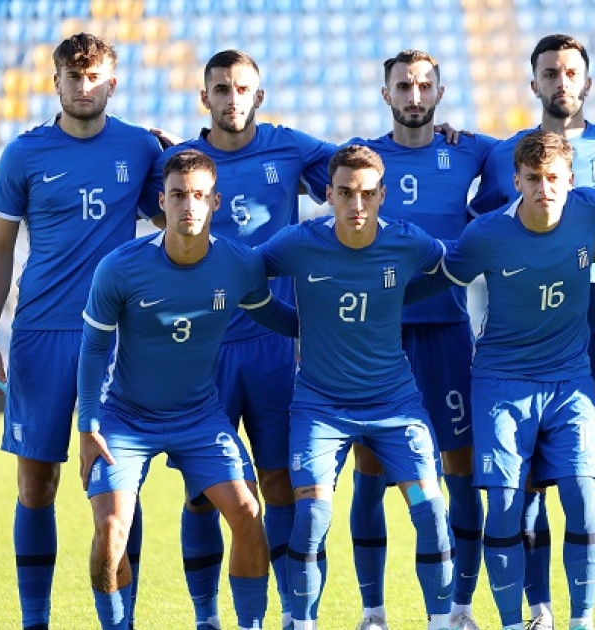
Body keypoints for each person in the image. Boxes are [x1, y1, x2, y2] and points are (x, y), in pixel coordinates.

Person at [0, 32, 162, 630]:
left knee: (117, 491)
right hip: (41, 334)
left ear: (113, 82)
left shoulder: (140, 147)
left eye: (94, 76)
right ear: (56, 81)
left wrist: (175, 150)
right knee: (37, 485)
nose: (84, 87)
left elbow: (179, 211)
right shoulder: (23, 154)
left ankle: (119, 621)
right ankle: (36, 621)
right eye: (73, 77)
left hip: (118, 339)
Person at [147, 49, 337, 630]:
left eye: (242, 89)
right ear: (204, 97)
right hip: (200, 352)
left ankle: (294, 616)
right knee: (203, 491)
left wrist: (440, 136)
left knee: (280, 483)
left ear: (260, 95)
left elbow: (364, 168)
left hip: (274, 346)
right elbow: (152, 220)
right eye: (221, 89)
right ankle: (207, 618)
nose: (233, 99)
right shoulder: (179, 163)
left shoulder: (291, 147)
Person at [77, 149, 299, 630]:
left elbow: (272, 315)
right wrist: (88, 426)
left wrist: (330, 326)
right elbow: (93, 348)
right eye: (178, 195)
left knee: (248, 512)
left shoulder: (238, 264)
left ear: (215, 202)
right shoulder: (120, 267)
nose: (189, 205)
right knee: (111, 529)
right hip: (125, 419)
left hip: (200, 417)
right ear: (162, 201)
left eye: (199, 195)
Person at [470, 34, 595, 630]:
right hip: (523, 344)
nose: (561, 82)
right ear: (534, 83)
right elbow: (483, 226)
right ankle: (537, 609)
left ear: (587, 82)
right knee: (525, 487)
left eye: (571, 72)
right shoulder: (504, 155)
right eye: (550, 73)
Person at [259, 145, 455, 630]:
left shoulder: (407, 241)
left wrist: (399, 296)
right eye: (345, 193)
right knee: (312, 518)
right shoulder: (299, 242)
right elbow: (245, 279)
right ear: (328, 194)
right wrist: (295, 324)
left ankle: (440, 622)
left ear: (383, 194)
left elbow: (449, 269)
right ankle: (302, 623)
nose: (357, 204)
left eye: (367, 193)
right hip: (320, 406)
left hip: (395, 403)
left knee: (431, 512)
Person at [344, 49, 498, 630]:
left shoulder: (470, 151)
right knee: (370, 473)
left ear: (439, 92)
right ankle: (373, 613)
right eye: (404, 86)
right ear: (386, 94)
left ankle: (459, 609)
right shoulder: (363, 157)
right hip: (377, 339)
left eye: (424, 85)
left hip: (447, 334)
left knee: (461, 472)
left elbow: (530, 147)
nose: (414, 95)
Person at [442, 130, 595, 630]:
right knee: (505, 504)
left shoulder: (592, 209)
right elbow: (440, 277)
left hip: (570, 380)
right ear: (516, 181)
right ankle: (515, 623)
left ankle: (581, 621)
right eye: (533, 179)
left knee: (583, 496)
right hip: (502, 382)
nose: (544, 189)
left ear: (571, 179)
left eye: (553, 178)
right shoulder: (486, 233)